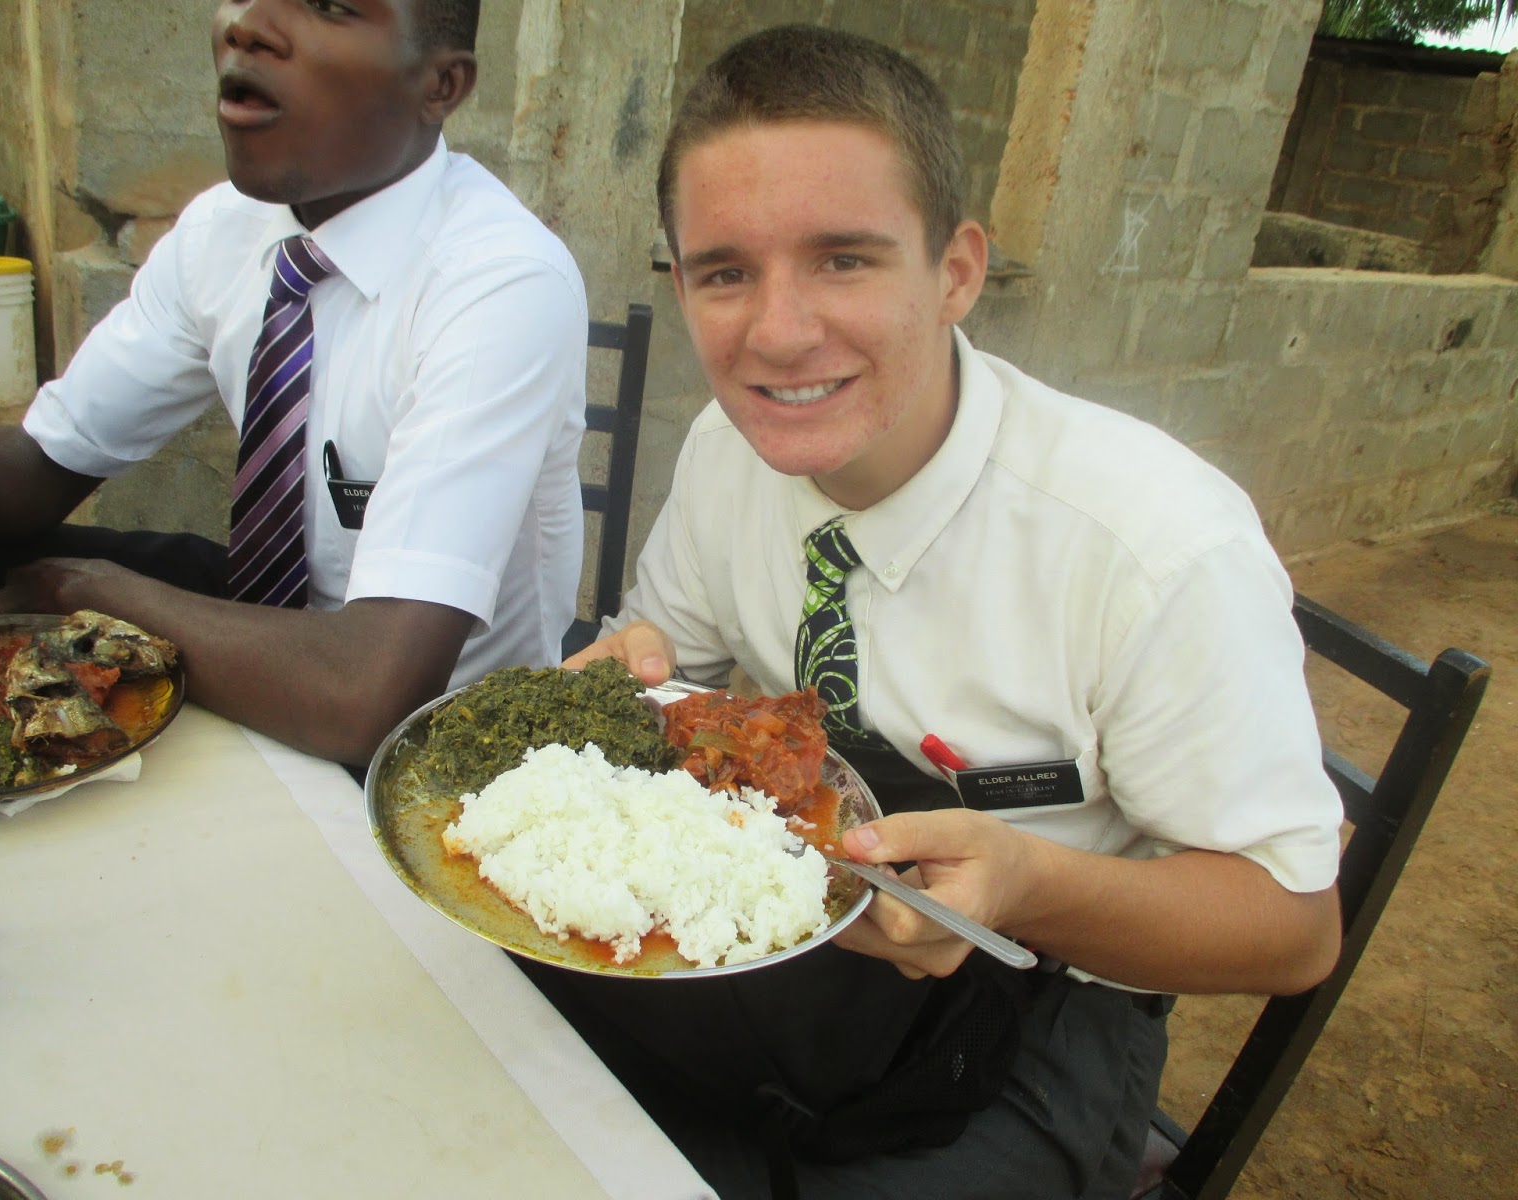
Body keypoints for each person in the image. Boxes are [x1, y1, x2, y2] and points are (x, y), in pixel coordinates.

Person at [550, 24, 1345, 1199]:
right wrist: (633, 682)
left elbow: (1293, 930)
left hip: (1044, 997)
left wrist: (1025, 882)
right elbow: (677, 671)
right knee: (513, 1058)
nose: (778, 332)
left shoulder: (1151, 547)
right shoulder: (728, 452)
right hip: (790, 920)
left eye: (843, 260)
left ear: (957, 271)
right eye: (724, 272)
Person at [0, 0, 588, 767]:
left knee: (67, 587)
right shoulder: (225, 229)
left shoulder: (498, 282)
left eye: (328, 5)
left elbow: (368, 695)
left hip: (431, 738)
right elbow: (47, 463)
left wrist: (84, 593)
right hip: (266, 630)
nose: (248, 26)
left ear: (440, 85)